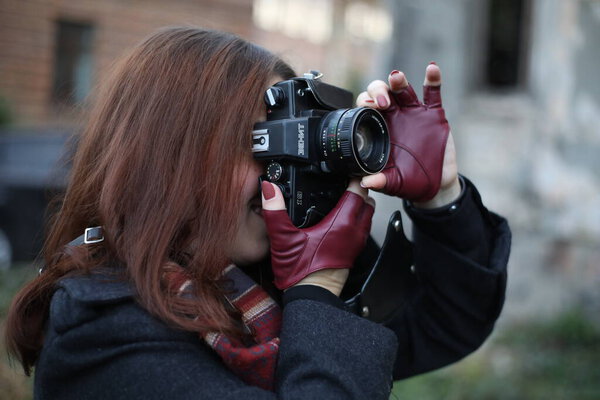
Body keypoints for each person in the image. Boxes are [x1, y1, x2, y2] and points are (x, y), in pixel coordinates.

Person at [4, 27, 511, 399]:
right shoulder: (101, 331)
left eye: (292, 142)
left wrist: (439, 198)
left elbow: (444, 325)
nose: (277, 173)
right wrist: (316, 291)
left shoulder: (259, 274)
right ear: (164, 161)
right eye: (257, 143)